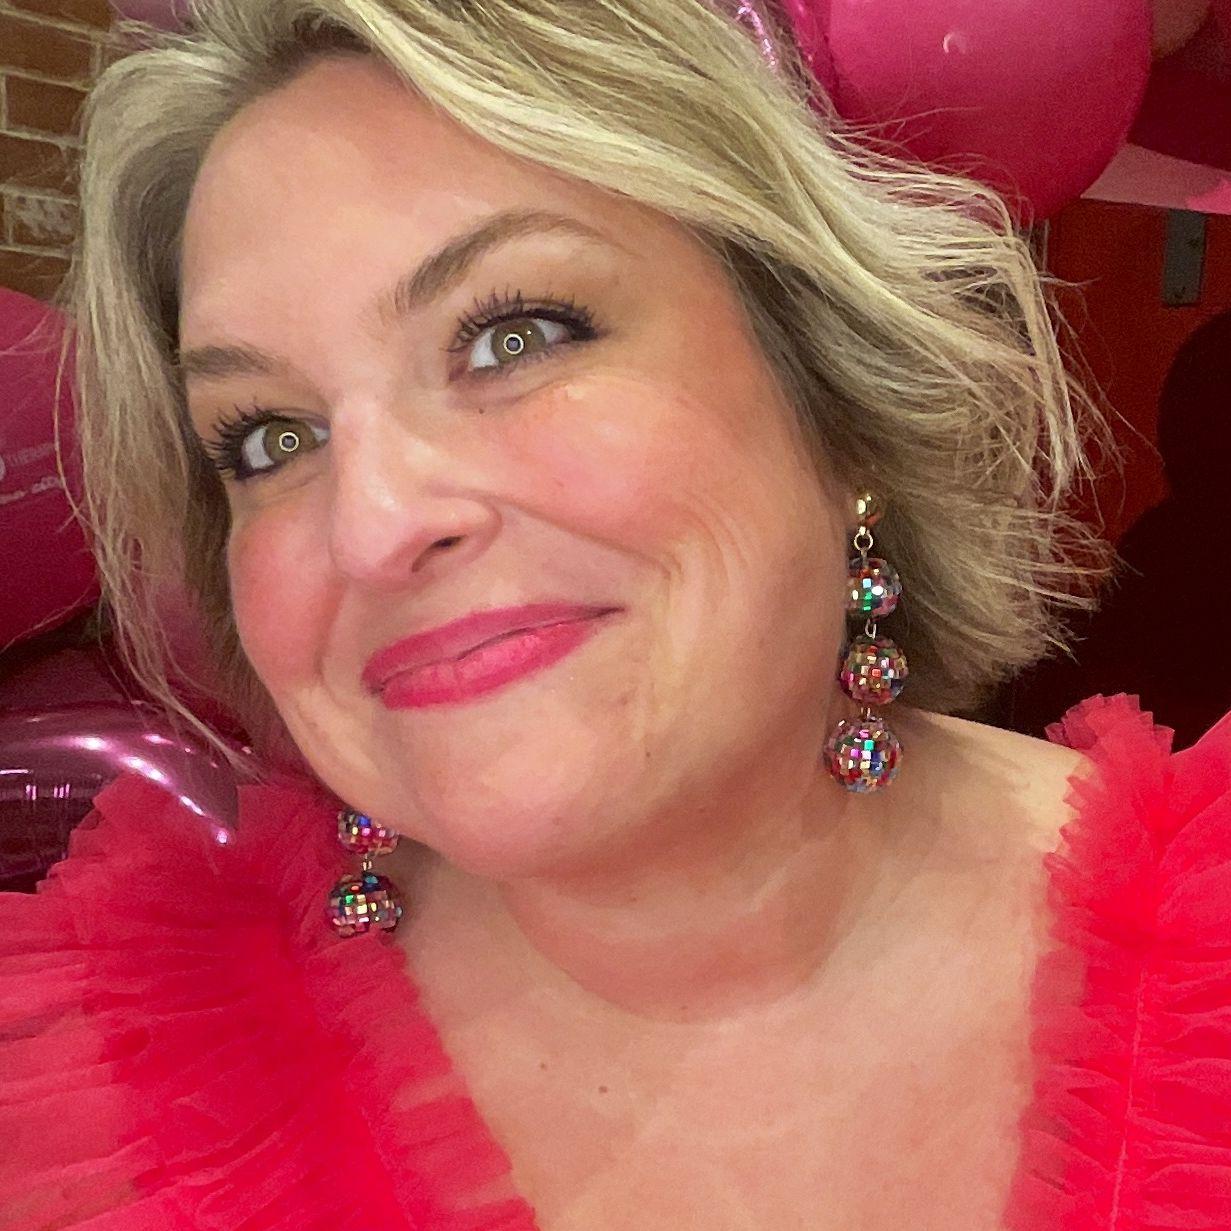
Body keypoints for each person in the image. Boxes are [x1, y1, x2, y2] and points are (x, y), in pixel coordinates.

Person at [1, 1, 1228, 1228]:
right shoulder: (96, 1102)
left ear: (833, 397)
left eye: (512, 336)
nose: (370, 530)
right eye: (271, 438)